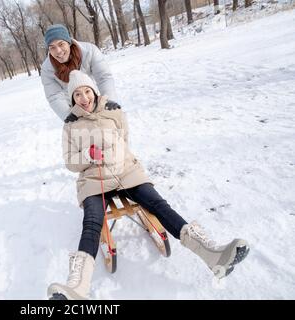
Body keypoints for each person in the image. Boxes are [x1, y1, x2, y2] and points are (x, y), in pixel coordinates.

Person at [47, 70, 250, 300]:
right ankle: (77, 287)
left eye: (86, 91)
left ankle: (213, 255)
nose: (84, 98)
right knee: (92, 221)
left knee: (158, 204)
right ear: (72, 99)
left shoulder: (114, 111)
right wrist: (87, 155)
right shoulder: (71, 125)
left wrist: (115, 155)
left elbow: (125, 141)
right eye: (77, 94)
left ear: (94, 91)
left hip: (126, 172)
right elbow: (70, 162)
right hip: (94, 181)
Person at [41, 24, 119, 122]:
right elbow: (54, 96)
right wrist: (69, 115)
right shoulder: (47, 69)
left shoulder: (90, 51)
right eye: (52, 47)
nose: (58, 51)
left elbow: (104, 77)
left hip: (93, 98)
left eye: (61, 44)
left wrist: (108, 100)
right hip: (72, 107)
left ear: (68, 42)